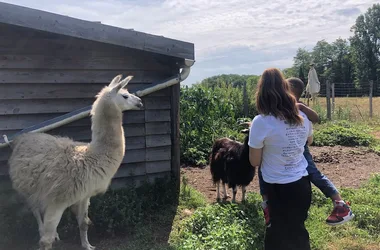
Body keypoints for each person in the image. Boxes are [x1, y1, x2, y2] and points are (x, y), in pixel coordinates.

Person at [258, 77, 354, 227]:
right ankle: (267, 206)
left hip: (298, 148)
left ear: (290, 91)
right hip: (292, 147)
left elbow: (316, 118)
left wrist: (301, 108)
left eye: (284, 88)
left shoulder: (298, 107)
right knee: (266, 170)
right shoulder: (283, 107)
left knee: (313, 173)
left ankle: (340, 204)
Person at [248, 68, 313, 250]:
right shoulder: (302, 116)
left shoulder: (260, 122)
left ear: (261, 93)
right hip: (302, 184)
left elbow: (254, 161)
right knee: (298, 231)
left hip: (276, 188)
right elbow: (309, 140)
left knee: (276, 235)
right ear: (286, 89)